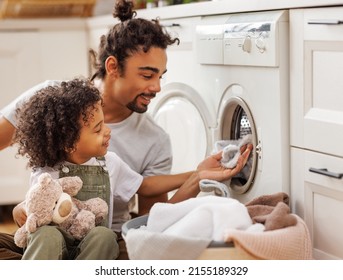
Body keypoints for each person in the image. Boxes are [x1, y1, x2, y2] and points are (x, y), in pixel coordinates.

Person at [0, 0, 176, 259]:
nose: (157, 88)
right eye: (148, 75)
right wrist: (25, 209)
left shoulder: (155, 140)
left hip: (104, 239)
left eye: (161, 76)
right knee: (41, 238)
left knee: (128, 248)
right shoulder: (52, 101)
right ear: (113, 67)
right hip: (47, 234)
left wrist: (196, 179)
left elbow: (151, 219)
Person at [13, 78, 252, 260]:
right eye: (97, 129)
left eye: (103, 123)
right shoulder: (46, 172)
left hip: (90, 244)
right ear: (68, 143)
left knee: (105, 236)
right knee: (47, 234)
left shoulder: (110, 163)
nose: (107, 131)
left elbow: (146, 186)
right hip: (54, 247)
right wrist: (19, 210)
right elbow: (32, 207)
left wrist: (197, 173)